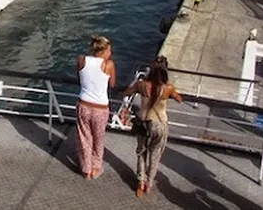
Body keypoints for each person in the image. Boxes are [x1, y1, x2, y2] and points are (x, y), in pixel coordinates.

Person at [124, 65, 183, 198]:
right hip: (160, 124)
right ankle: (149, 183)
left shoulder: (141, 85)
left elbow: (127, 92)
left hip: (144, 123)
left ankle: (140, 182)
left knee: (141, 153)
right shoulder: (168, 88)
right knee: (155, 155)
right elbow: (179, 99)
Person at [75, 35, 116, 180]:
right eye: (109, 50)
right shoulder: (108, 65)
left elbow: (79, 78)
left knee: (84, 138)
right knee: (99, 139)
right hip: (100, 108)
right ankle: (96, 168)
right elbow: (112, 84)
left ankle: (86, 169)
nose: (110, 53)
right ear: (103, 51)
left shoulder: (81, 60)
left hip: (84, 104)